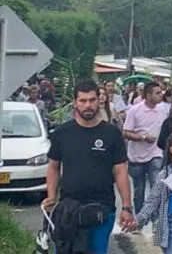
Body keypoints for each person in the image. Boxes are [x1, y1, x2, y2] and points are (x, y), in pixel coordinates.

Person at [43, 79, 134, 254]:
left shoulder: (112, 133)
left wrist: (127, 207)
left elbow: (120, 170)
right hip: (68, 211)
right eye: (83, 101)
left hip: (102, 210)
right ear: (75, 102)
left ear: (99, 100)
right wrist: (51, 196)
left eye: (92, 100)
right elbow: (54, 167)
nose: (88, 105)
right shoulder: (62, 133)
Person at [123, 82, 167, 215]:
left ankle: (155, 219)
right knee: (139, 190)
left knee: (156, 185)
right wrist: (143, 137)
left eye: (161, 92)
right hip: (137, 156)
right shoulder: (134, 111)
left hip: (156, 153)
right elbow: (125, 132)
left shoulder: (163, 109)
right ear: (148, 95)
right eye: (157, 93)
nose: (161, 95)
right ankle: (140, 218)